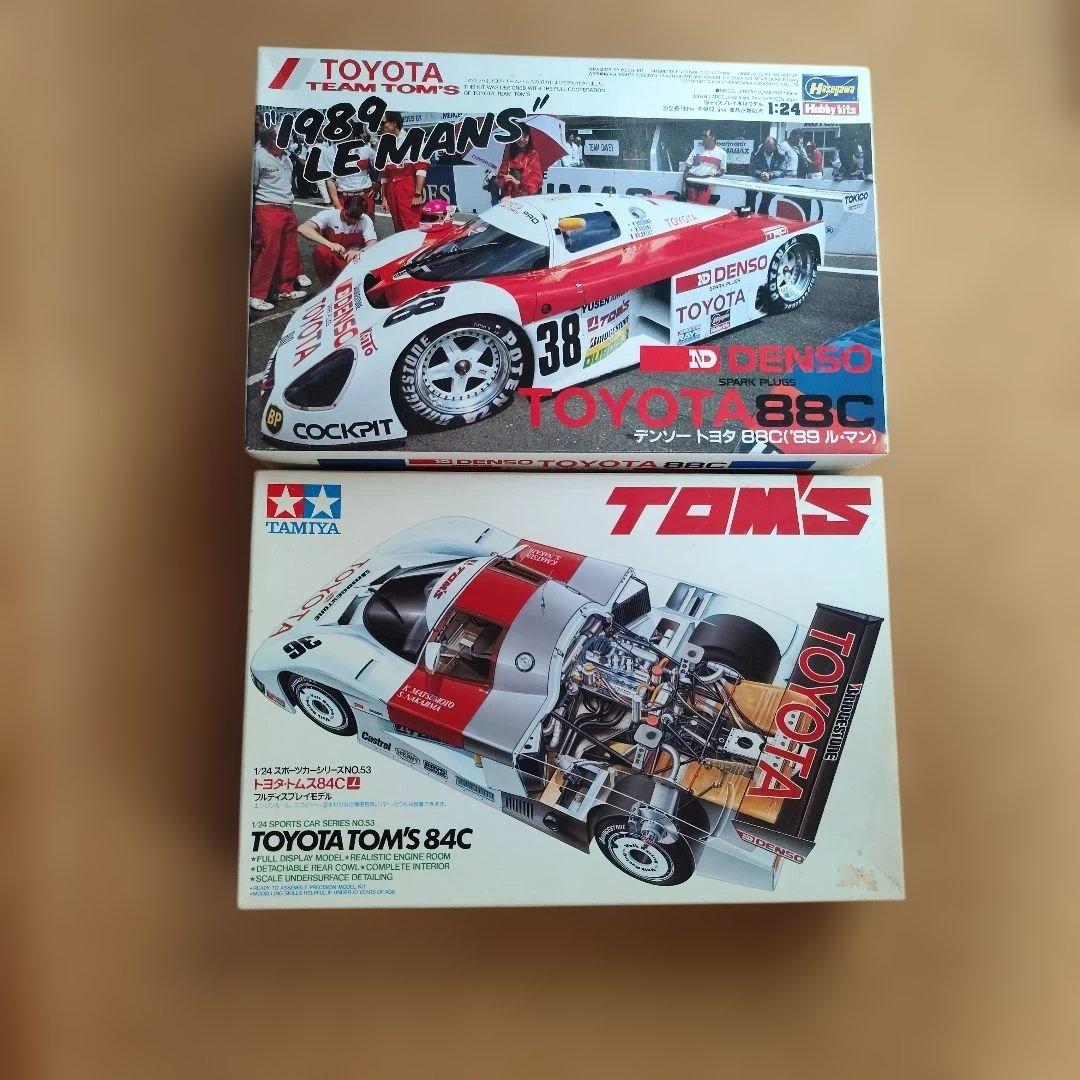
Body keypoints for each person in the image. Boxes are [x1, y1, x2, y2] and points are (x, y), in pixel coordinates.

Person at [250, 123, 309, 312]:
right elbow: (252, 185)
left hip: (287, 207)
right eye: (282, 137)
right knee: (268, 252)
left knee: (288, 251)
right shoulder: (258, 156)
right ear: (271, 139)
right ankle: (256, 295)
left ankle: (284, 288)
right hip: (267, 208)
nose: (287, 141)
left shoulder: (287, 156)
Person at [297, 193, 378, 287]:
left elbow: (373, 242)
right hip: (335, 258)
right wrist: (329, 244)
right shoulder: (329, 215)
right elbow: (303, 228)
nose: (352, 221)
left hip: (354, 260)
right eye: (349, 216)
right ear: (344, 208)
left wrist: (360, 252)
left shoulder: (365, 220)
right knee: (321, 251)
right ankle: (328, 286)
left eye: (356, 218)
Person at [377, 112, 429, 232]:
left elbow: (421, 169)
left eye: (383, 123)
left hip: (408, 186)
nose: (380, 127)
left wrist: (417, 194)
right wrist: (384, 198)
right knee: (397, 226)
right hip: (391, 188)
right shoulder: (383, 143)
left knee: (412, 225)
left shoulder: (413, 139)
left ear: (394, 123)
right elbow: (384, 175)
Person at [327, 132, 376, 219]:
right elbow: (330, 180)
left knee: (368, 226)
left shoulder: (366, 150)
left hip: (365, 196)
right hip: (344, 198)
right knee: (345, 226)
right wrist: (337, 204)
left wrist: (377, 184)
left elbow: (380, 168)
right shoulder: (331, 153)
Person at [743, 135, 793, 215]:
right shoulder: (756, 154)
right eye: (766, 145)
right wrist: (761, 174)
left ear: (775, 147)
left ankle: (762, 218)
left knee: (765, 206)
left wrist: (770, 174)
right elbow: (751, 168)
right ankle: (748, 218)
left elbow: (782, 171)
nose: (767, 148)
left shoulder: (781, 156)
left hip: (770, 184)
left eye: (770, 146)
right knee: (749, 200)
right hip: (755, 182)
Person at [494, 129, 544, 200]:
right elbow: (500, 177)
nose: (521, 139)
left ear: (529, 138)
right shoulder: (507, 153)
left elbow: (534, 183)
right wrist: (505, 180)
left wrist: (517, 182)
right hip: (507, 197)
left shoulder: (533, 155)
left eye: (525, 136)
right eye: (519, 136)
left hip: (526, 198)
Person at [681, 128, 727, 204]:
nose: (703, 138)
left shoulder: (722, 153)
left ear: (713, 137)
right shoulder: (696, 150)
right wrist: (683, 186)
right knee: (690, 205)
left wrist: (714, 174)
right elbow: (687, 168)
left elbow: (722, 171)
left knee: (701, 205)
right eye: (702, 136)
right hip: (692, 180)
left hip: (706, 182)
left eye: (705, 136)